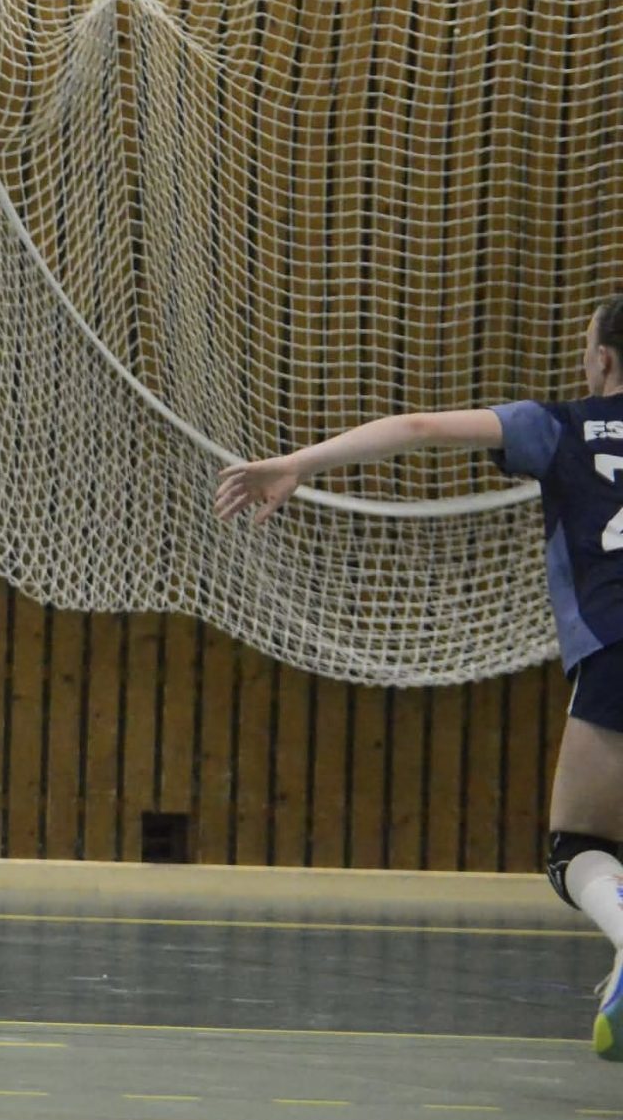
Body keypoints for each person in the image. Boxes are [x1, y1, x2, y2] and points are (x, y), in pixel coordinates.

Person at [216, 294, 623, 1060]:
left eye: (584, 347)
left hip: (615, 647)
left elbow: (418, 428)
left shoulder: (561, 426)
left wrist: (297, 463)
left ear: (602, 358)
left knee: (577, 849)